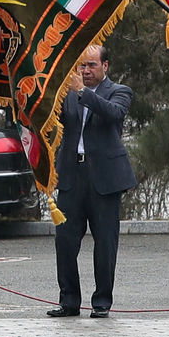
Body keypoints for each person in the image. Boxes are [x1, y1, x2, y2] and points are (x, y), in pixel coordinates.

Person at [48, 44, 136, 319]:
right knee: (64, 241)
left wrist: (82, 92)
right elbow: (53, 122)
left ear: (105, 66)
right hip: (72, 176)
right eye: (82, 66)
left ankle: (101, 302)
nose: (85, 71)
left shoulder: (119, 91)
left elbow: (114, 113)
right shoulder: (68, 95)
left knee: (105, 243)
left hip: (104, 178)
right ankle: (69, 300)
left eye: (91, 65)